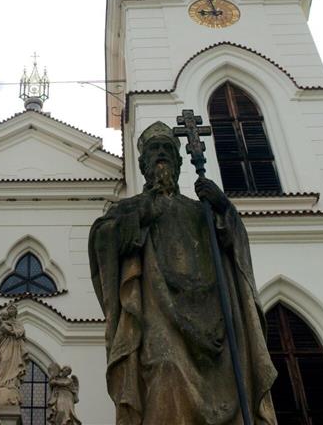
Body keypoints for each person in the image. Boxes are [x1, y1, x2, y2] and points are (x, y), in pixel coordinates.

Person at [88, 121, 277, 425]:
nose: (160, 155)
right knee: (165, 369)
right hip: (158, 317)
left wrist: (224, 208)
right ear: (142, 164)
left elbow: (233, 248)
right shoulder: (130, 207)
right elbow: (102, 238)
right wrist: (138, 220)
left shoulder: (199, 211)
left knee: (234, 371)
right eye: (154, 151)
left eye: (166, 150)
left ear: (178, 163)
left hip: (213, 320)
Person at [0, 304, 28, 406]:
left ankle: (11, 383)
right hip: (4, 346)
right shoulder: (3, 322)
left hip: (14, 347)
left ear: (15, 312)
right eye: (9, 309)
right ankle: (0, 383)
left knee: (12, 363)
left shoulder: (17, 323)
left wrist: (7, 328)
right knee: (3, 360)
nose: (11, 310)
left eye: (13, 309)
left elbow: (20, 332)